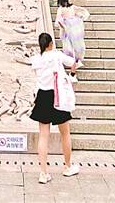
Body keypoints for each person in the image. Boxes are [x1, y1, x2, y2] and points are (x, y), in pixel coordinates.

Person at [30, 32, 79, 183]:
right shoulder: (57, 55)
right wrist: (72, 74)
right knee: (65, 133)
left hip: (43, 97)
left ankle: (43, 173)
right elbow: (74, 63)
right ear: (51, 44)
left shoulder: (36, 59)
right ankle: (68, 166)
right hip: (58, 97)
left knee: (43, 136)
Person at [55, 0, 90, 77]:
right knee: (75, 47)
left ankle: (73, 69)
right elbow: (81, 12)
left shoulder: (61, 9)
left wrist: (63, 27)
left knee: (69, 48)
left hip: (67, 30)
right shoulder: (72, 7)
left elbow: (58, 21)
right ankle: (74, 67)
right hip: (75, 29)